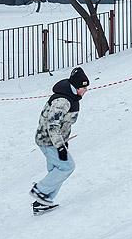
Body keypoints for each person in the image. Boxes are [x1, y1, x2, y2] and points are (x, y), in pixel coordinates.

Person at [29, 67, 89, 214]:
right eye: (83, 87)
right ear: (75, 86)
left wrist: (64, 141)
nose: (85, 90)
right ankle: (40, 191)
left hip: (55, 140)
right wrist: (60, 147)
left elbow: (65, 123)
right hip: (48, 140)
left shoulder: (72, 97)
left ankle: (42, 202)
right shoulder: (62, 101)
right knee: (67, 166)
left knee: (56, 170)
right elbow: (52, 124)